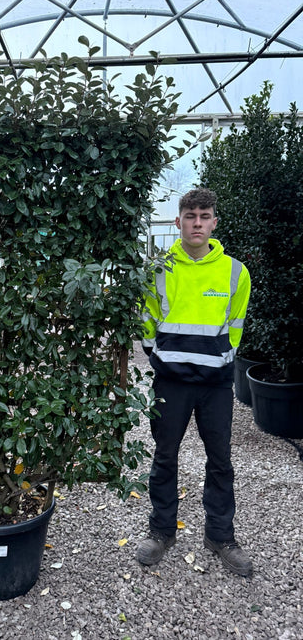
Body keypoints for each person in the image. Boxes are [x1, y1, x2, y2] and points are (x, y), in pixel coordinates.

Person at [137, 187, 253, 577]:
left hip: (216, 385)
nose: (197, 224)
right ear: (178, 222)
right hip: (171, 383)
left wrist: (221, 358)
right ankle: (161, 531)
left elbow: (235, 326)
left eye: (204, 217)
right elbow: (147, 321)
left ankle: (220, 536)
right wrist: (162, 358)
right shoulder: (159, 270)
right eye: (190, 216)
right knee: (164, 457)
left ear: (214, 223)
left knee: (220, 461)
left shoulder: (235, 272)